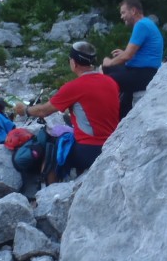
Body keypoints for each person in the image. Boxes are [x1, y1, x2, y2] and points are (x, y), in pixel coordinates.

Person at [13, 41, 119, 180]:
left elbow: (43, 111)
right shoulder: (110, 82)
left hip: (90, 150)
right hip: (112, 144)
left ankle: (49, 191)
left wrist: (25, 110)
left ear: (73, 63)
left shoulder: (74, 87)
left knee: (53, 145)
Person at [101, 0, 163, 118]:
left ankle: (103, 115)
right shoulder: (146, 23)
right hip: (146, 71)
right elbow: (132, 52)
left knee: (105, 75)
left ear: (133, 11)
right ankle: (122, 112)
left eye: (123, 12)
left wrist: (109, 63)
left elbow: (128, 55)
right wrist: (122, 54)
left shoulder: (141, 25)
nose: (122, 16)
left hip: (144, 74)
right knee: (110, 71)